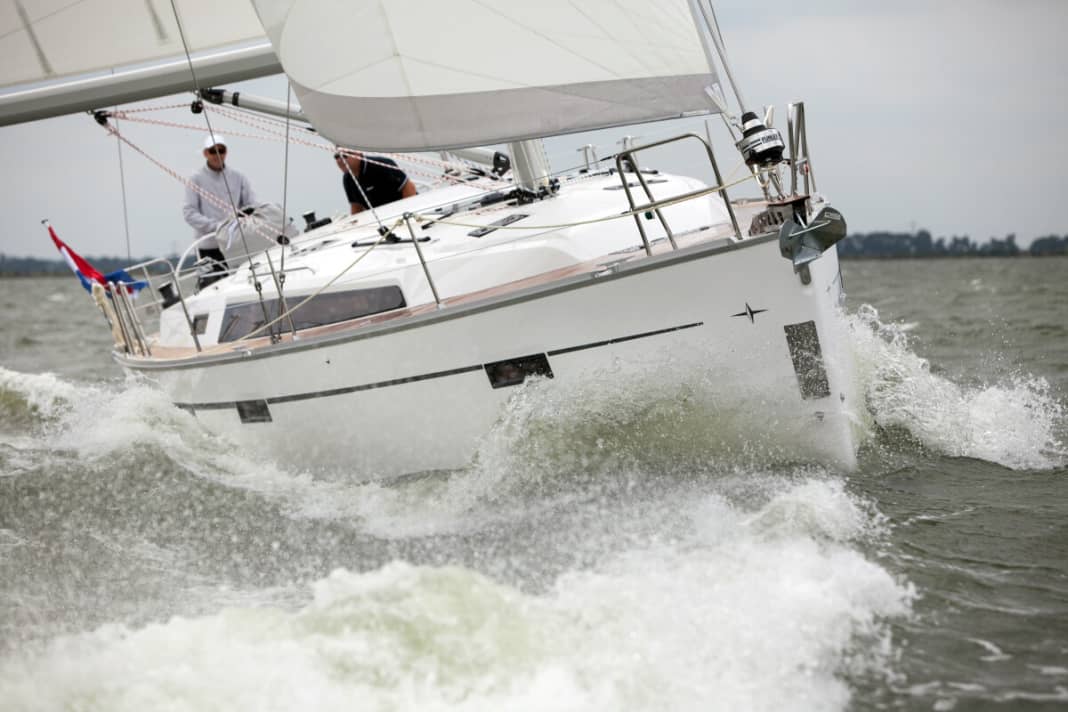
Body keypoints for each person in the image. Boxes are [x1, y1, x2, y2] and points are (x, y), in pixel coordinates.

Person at [182, 135, 257, 287]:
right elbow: (189, 212)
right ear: (205, 153)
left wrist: (240, 223)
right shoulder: (195, 179)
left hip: (236, 245)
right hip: (209, 247)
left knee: (243, 286)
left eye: (221, 150)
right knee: (212, 288)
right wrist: (217, 227)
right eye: (212, 151)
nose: (217, 155)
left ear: (226, 152)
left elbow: (251, 205)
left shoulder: (238, 177)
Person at [334, 150, 417, 215]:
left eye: (345, 155)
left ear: (358, 154)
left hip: (403, 213)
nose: (340, 160)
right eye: (336, 156)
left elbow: (409, 188)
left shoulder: (381, 165)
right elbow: (356, 206)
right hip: (382, 219)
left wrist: (408, 212)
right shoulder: (347, 178)